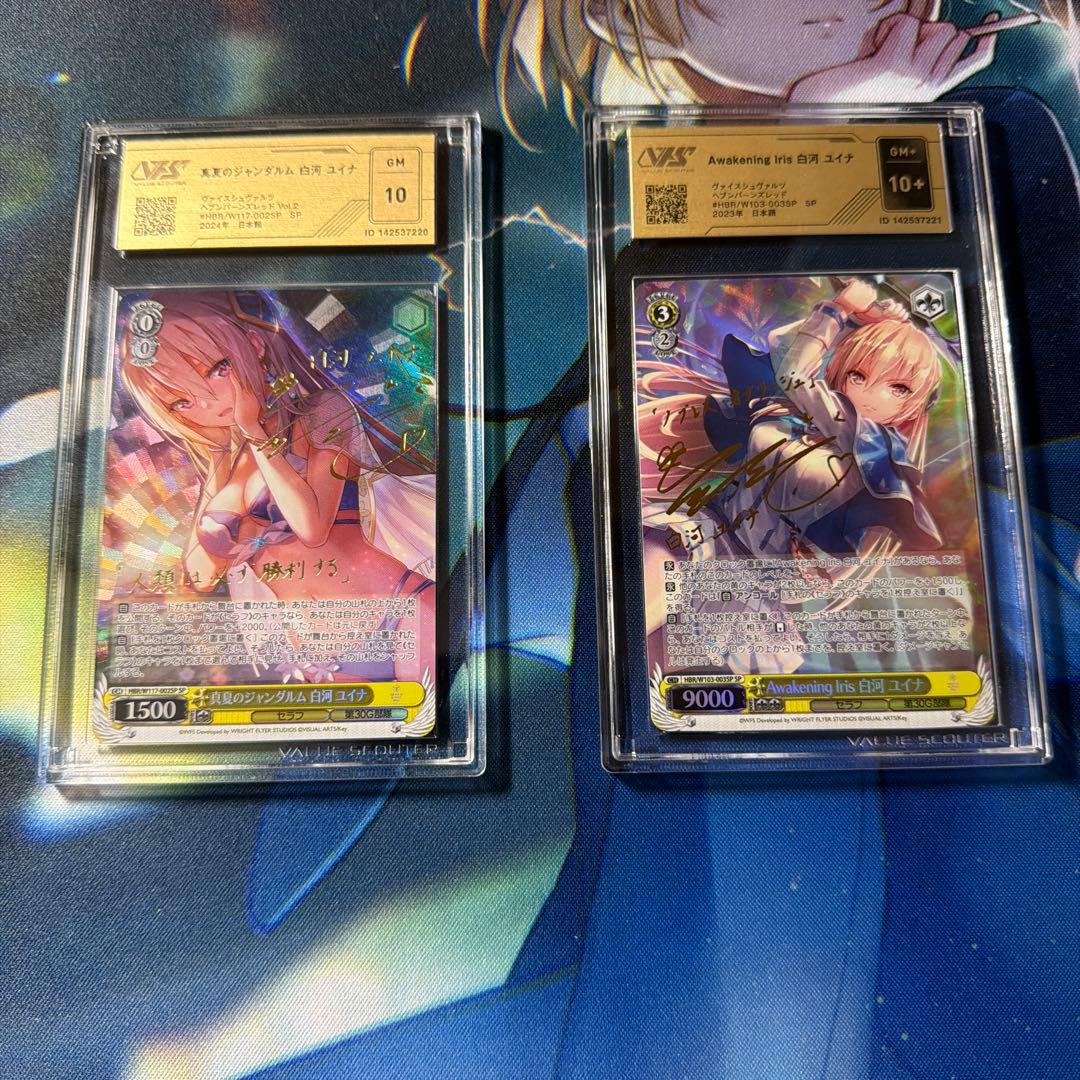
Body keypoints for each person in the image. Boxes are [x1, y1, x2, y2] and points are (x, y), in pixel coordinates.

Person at [118, 290, 435, 681]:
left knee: (426, 716)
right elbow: (200, 575)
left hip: (398, 612)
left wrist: (254, 431)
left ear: (255, 345)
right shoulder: (226, 462)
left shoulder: (322, 412)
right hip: (314, 652)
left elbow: (312, 528)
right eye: (181, 402)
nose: (207, 402)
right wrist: (219, 477)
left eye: (216, 370)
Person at [638, 278, 945, 671]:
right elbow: (782, 345)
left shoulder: (864, 440)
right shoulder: (815, 417)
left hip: (747, 581)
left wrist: (838, 311)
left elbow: (794, 373)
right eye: (858, 375)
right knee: (636, 644)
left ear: (913, 405)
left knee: (656, 676)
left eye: (898, 387)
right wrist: (850, 318)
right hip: (708, 537)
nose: (870, 394)